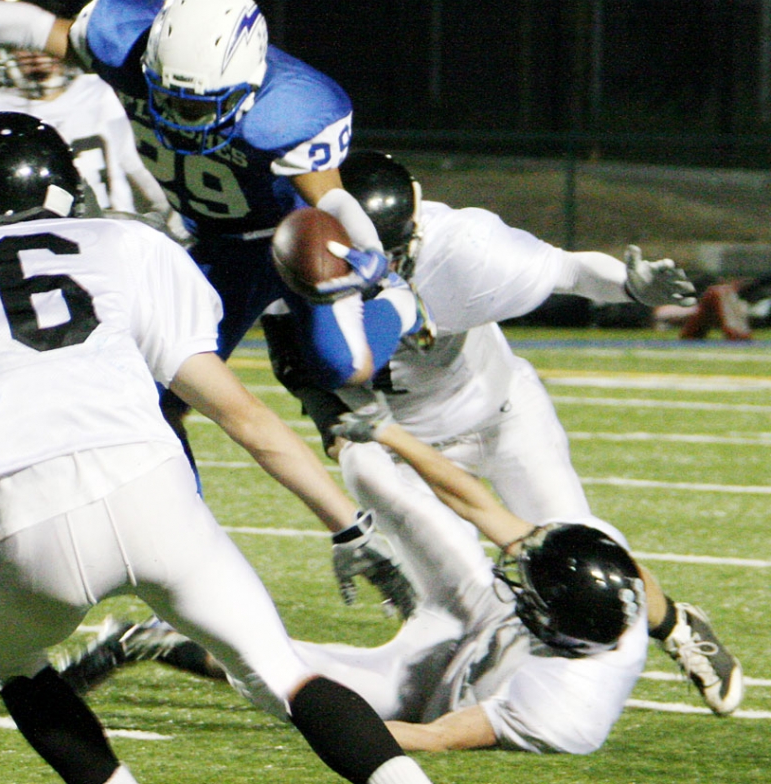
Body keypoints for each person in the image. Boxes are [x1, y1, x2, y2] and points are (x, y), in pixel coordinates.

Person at [0, 111, 432, 784]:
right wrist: (347, 523)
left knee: (11, 660)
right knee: (283, 676)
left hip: (24, 522)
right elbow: (242, 414)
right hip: (153, 494)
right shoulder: (125, 244)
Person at [63, 150, 742, 717]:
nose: (369, 276)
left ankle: (676, 625)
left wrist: (628, 285)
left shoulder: (468, 249)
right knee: (444, 649)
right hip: (390, 447)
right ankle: (168, 640)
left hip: (500, 416)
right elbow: (283, 360)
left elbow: (567, 270)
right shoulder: (287, 256)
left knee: (577, 544)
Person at [0, 0, 430, 480]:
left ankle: (401, 303)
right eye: (167, 97)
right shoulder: (121, 37)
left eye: (198, 108)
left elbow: (331, 199)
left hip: (284, 240)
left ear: (250, 84)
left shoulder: (294, 110)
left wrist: (372, 259)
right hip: (213, 244)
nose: (177, 118)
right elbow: (35, 25)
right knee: (151, 398)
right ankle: (182, 542)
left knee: (339, 366)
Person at [67, 403, 652, 755]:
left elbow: (438, 736)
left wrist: (344, 743)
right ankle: (337, 418)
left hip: (426, 694)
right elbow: (473, 504)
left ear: (555, 628)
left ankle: (142, 641)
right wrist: (386, 431)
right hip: (476, 617)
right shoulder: (595, 567)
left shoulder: (565, 712)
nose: (517, 570)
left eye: (529, 588)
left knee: (282, 676)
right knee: (374, 470)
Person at [0, 0, 176, 229]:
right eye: (22, 43)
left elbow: (161, 193)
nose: (36, 53)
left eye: (41, 43)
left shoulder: (107, 97)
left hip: (104, 244)